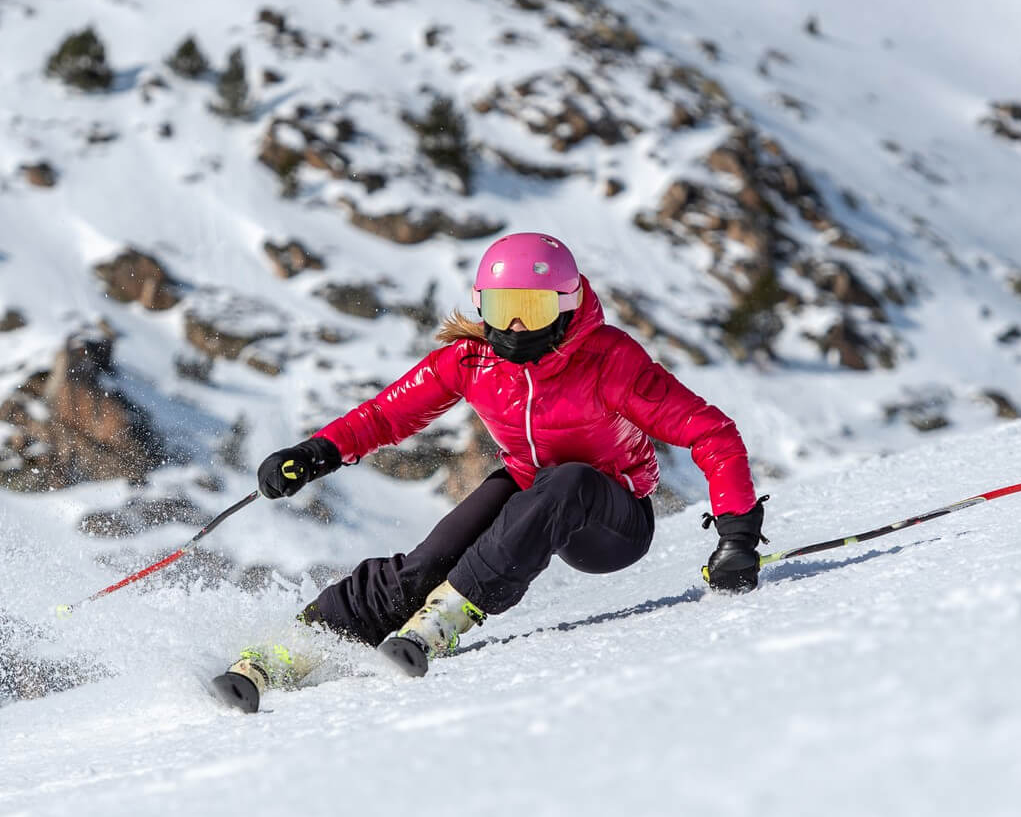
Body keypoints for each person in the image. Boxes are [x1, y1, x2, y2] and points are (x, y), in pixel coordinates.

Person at [213, 231, 767, 712]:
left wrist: (736, 535)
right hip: (531, 486)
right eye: (504, 310)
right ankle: (296, 646)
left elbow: (710, 432)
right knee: (428, 560)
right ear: (482, 307)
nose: (519, 324)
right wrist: (315, 454)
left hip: (611, 520)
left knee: (568, 480)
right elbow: (385, 415)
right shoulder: (472, 360)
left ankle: (448, 616)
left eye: (537, 308)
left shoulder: (610, 361)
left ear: (570, 305)